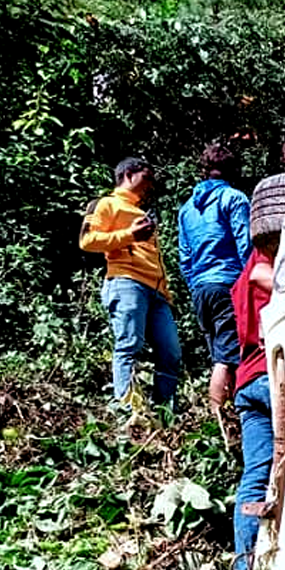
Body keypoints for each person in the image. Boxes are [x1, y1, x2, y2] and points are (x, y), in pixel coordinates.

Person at [80, 157, 181, 416]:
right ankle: (129, 413)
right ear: (128, 174)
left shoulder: (141, 212)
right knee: (129, 345)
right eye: (146, 177)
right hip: (126, 281)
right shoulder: (106, 204)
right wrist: (130, 235)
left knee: (170, 353)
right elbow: (87, 240)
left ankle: (163, 414)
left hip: (157, 291)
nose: (150, 184)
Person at [178, 145, 252, 423]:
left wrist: (195, 286)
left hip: (201, 289)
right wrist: (250, 285)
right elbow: (245, 245)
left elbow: (184, 257)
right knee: (228, 357)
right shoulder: (234, 199)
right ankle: (218, 419)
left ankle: (224, 418)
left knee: (219, 355)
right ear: (234, 171)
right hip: (227, 284)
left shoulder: (187, 209)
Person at [230, 230, 278, 570]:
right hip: (274, 378)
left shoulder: (239, 280)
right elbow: (267, 276)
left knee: (255, 476)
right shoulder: (267, 267)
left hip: (247, 382)